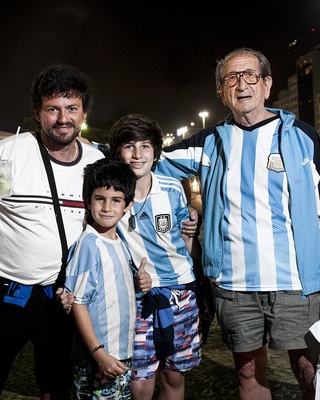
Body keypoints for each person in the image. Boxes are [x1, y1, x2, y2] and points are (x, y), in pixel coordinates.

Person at [153, 48, 320, 400]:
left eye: (250, 75)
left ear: (266, 85)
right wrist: (84, 150)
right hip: (234, 287)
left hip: (296, 284)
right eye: (231, 77)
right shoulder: (209, 142)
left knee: (310, 372)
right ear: (221, 91)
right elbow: (144, 160)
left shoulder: (300, 137)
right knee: (248, 377)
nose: (241, 84)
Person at [0, 65, 107, 399]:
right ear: (37, 113)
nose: (63, 118)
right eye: (53, 109)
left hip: (61, 297)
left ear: (83, 113)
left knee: (56, 385)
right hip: (2, 291)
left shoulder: (95, 160)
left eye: (71, 108)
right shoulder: (7, 153)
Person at [108, 113, 206, 400]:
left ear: (155, 152)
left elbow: (185, 239)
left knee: (174, 375)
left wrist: (193, 228)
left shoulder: (173, 188)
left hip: (181, 294)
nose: (137, 154)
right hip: (138, 300)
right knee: (140, 382)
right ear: (118, 151)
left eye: (145, 146)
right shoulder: (112, 195)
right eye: (129, 146)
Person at [65, 157, 143, 399]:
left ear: (128, 205)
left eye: (116, 200)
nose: (107, 207)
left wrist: (139, 284)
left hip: (119, 352)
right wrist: (99, 353)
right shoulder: (88, 244)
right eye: (100, 199)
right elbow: (78, 303)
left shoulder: (120, 241)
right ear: (88, 201)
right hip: (97, 356)